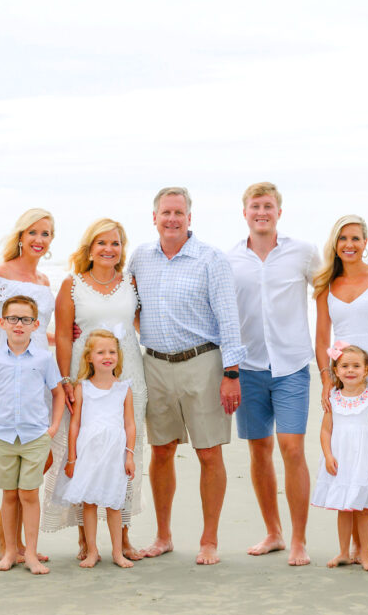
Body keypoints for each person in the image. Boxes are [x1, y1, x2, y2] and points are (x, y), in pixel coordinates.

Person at [128, 186, 246, 566]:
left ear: (190, 218)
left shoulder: (210, 258)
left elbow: (229, 318)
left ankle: (209, 540)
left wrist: (231, 373)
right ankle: (163, 536)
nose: (172, 219)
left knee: (208, 452)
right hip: (155, 365)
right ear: (154, 217)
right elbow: (126, 305)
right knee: (160, 451)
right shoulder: (140, 257)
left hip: (203, 364)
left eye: (179, 213)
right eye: (166, 213)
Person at [226, 182, 318, 566]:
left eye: (268, 206)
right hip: (248, 369)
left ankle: (299, 540)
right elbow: (221, 314)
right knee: (259, 450)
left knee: (292, 449)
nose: (261, 212)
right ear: (244, 212)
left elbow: (337, 288)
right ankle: (274, 534)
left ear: (279, 211)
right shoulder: (229, 259)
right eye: (254, 206)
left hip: (292, 365)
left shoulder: (303, 253)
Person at [45, 218, 147, 560]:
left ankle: (124, 537)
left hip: (128, 372)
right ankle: (86, 541)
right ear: (89, 247)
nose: (108, 249)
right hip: (84, 375)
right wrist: (67, 381)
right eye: (101, 242)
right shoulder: (71, 285)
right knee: (84, 452)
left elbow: (143, 323)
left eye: (115, 243)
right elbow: (61, 334)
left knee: (124, 452)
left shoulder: (131, 282)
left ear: (122, 250)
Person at [313, 214, 368, 563]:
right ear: (335, 243)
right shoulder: (325, 284)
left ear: (366, 242)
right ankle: (351, 546)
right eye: (342, 238)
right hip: (343, 374)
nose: (349, 244)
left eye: (355, 238)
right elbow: (321, 338)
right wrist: (325, 378)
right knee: (348, 454)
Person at [0, 208, 56, 560]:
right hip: (8, 374)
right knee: (19, 465)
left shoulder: (45, 282)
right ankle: (9, 542)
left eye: (46, 234)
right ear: (20, 236)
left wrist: (60, 337)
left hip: (41, 373)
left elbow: (37, 329)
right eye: (33, 232)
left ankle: (1, 538)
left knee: (41, 459)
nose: (39, 240)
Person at [0, 295, 65, 575]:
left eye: (26, 320)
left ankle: (31, 554)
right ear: (2, 323)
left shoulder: (43, 358)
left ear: (36, 325)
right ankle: (9, 552)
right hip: (3, 435)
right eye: (13, 319)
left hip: (34, 436)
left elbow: (57, 393)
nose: (19, 324)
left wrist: (52, 428)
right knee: (9, 495)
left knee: (29, 494)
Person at [54, 330, 137, 569]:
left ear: (118, 357)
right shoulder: (83, 388)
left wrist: (129, 455)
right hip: (88, 452)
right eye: (101, 352)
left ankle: (118, 553)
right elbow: (75, 424)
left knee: (114, 504)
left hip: (114, 453)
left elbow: (130, 424)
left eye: (112, 352)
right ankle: (92, 551)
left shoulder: (124, 388)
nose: (107, 356)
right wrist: (72, 458)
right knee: (89, 504)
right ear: (89, 357)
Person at [311, 343, 368, 572]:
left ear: (367, 370)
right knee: (343, 509)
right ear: (336, 370)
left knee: (363, 509)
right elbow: (325, 431)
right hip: (340, 461)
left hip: (363, 460)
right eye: (344, 366)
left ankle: (364, 555)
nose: (350, 370)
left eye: (356, 366)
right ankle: (344, 552)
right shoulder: (332, 398)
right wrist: (328, 455)